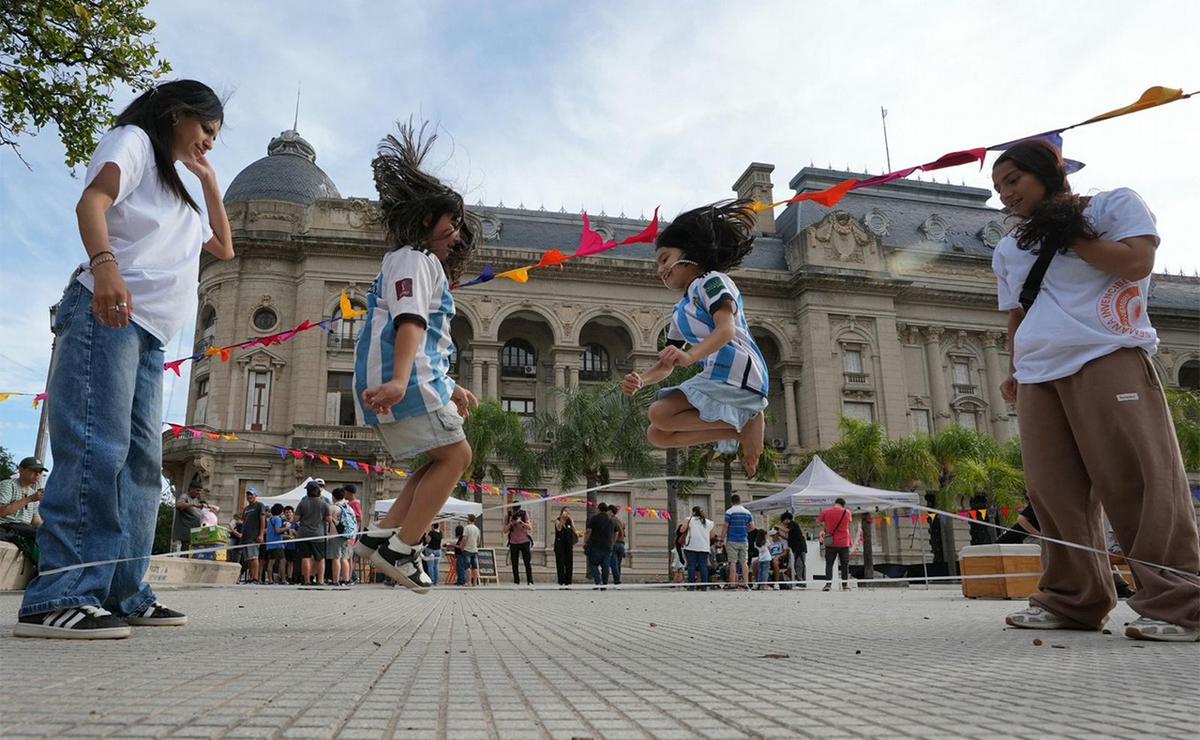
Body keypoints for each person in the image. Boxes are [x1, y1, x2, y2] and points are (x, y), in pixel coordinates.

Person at [15, 81, 232, 639]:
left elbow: (224, 247)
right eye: (207, 128)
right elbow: (92, 201)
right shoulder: (133, 141)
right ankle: (59, 594)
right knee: (97, 449)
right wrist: (105, 263)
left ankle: (124, 591)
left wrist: (209, 180)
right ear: (177, 114)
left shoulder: (180, 186)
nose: (210, 141)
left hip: (151, 334)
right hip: (107, 313)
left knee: (141, 466)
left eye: (216, 136)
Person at [991, 139, 1200, 642]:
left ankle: (1179, 603)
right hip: (1038, 373)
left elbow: (1135, 262)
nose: (1006, 195)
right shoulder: (1009, 247)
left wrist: (1066, 232)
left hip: (1107, 354)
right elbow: (1020, 311)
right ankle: (1072, 599)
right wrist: (1016, 366)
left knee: (1137, 480)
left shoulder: (1112, 206)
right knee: (1053, 492)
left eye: (1013, 180)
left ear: (1048, 171)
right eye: (998, 188)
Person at [348, 121, 479, 593]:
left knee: (436, 460)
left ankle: (379, 536)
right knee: (457, 455)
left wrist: (452, 385)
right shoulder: (414, 259)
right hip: (406, 382)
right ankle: (403, 549)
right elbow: (410, 323)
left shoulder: (411, 263)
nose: (456, 236)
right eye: (452, 223)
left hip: (418, 378)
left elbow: (422, 337)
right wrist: (402, 381)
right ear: (426, 219)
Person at [621, 200, 768, 476]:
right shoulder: (680, 311)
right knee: (657, 434)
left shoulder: (712, 281)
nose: (660, 269)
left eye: (665, 259)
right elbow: (666, 365)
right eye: (657, 264)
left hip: (740, 372)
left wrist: (689, 356)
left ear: (689, 252)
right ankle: (739, 430)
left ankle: (747, 421)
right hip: (716, 375)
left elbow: (725, 330)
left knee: (659, 413)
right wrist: (642, 379)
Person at [0, 457, 47, 565]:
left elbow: (35, 520)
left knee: (50, 535)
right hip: (7, 525)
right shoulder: (8, 485)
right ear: (21, 470)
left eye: (40, 472)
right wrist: (29, 499)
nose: (37, 474)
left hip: (23, 527)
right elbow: (1, 511)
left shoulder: (32, 492)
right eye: (34, 471)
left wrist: (51, 528)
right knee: (39, 535)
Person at [295, 481, 333, 586]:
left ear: (308, 491)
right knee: (320, 558)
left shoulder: (302, 503)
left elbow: (296, 518)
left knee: (305, 557)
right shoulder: (324, 503)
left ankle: (307, 580)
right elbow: (329, 519)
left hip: (303, 534)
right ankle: (320, 580)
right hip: (319, 534)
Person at [818, 498, 852, 592]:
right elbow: (848, 523)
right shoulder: (847, 513)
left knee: (829, 564)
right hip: (844, 542)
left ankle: (828, 584)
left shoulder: (826, 512)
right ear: (843, 505)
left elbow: (819, 521)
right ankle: (845, 585)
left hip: (830, 542)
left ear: (835, 503)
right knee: (845, 564)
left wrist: (826, 528)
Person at [680, 506, 715, 591]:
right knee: (703, 566)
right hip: (704, 547)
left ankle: (691, 586)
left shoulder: (688, 519)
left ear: (693, 512)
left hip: (691, 546)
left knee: (691, 565)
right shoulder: (708, 522)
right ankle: (704, 586)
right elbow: (712, 535)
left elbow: (682, 530)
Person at [723, 494, 753, 589]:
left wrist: (722, 537)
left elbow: (725, 526)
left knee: (732, 562)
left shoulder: (729, 512)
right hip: (744, 540)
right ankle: (745, 583)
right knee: (744, 562)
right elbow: (752, 527)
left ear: (732, 501)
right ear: (740, 501)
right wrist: (745, 531)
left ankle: (732, 584)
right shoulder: (747, 512)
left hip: (732, 540)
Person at [329, 488, 357, 586]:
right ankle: (347, 579)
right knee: (345, 558)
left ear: (333, 497)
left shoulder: (333, 508)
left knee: (336, 558)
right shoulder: (349, 508)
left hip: (335, 535)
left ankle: (335, 580)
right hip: (347, 536)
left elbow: (327, 521)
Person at [584, 503, 616, 588]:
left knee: (593, 564)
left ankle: (598, 581)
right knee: (605, 566)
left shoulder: (594, 518)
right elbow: (615, 533)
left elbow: (589, 531)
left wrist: (585, 541)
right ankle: (605, 583)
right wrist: (612, 543)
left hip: (596, 545)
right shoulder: (611, 520)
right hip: (607, 546)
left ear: (598, 509)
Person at [241, 488, 267, 584]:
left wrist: (261, 535)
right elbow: (244, 522)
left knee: (254, 557)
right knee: (248, 558)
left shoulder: (259, 505)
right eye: (248, 494)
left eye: (251, 494)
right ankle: (251, 577)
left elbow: (262, 520)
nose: (249, 496)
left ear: (255, 495)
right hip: (245, 537)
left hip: (254, 536)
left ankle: (255, 578)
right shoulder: (246, 509)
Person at [171, 481, 205, 553]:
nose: (199, 493)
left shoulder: (196, 500)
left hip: (194, 534)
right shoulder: (184, 496)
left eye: (200, 491)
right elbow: (178, 505)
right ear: (191, 489)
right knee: (184, 554)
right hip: (185, 535)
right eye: (197, 490)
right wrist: (193, 505)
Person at [503, 505, 534, 584]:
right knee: (514, 563)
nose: (516, 512)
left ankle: (530, 581)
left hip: (524, 541)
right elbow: (505, 530)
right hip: (513, 542)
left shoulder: (524, 514)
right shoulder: (508, 516)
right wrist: (511, 523)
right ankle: (516, 581)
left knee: (527, 562)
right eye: (514, 510)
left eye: (517, 510)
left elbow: (530, 527)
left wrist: (521, 522)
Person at [779, 512, 807, 587]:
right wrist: (780, 535)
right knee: (796, 564)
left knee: (800, 564)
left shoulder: (793, 524)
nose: (783, 523)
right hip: (795, 548)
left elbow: (786, 530)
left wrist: (778, 527)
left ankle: (802, 581)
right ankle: (799, 580)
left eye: (783, 521)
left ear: (787, 519)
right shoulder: (791, 527)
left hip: (800, 548)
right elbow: (789, 538)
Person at [553, 507, 578, 586]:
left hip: (568, 544)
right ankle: (561, 581)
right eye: (565, 511)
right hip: (560, 545)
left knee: (569, 563)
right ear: (562, 512)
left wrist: (572, 521)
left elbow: (575, 531)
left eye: (568, 512)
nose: (567, 513)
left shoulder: (570, 521)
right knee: (560, 563)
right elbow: (559, 529)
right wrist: (562, 519)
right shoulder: (557, 520)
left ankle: (568, 581)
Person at [264, 504, 286, 584]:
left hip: (270, 544)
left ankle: (270, 579)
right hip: (277, 544)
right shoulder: (278, 519)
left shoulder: (270, 519)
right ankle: (283, 579)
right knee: (282, 561)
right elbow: (277, 530)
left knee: (271, 562)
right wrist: (286, 528)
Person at [460, 514, 481, 587]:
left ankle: (469, 582)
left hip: (467, 550)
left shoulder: (467, 528)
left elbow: (465, 538)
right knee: (475, 567)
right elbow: (478, 541)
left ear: (468, 519)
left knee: (467, 567)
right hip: (474, 550)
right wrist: (475, 545)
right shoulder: (477, 529)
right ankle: (474, 582)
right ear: (474, 520)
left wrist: (462, 547)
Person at [608, 505, 627, 586]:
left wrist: (611, 543)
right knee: (618, 564)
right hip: (621, 544)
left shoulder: (611, 520)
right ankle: (618, 580)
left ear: (610, 511)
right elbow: (623, 532)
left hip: (615, 544)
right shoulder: (619, 520)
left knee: (613, 564)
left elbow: (615, 533)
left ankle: (617, 581)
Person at [281, 506, 298, 584]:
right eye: (286, 512)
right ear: (284, 513)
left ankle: (290, 577)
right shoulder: (281, 522)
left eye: (289, 512)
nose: (288, 514)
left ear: (292, 513)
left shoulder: (295, 524)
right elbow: (278, 533)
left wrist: (295, 533)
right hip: (283, 545)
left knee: (291, 562)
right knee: (283, 561)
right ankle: (282, 577)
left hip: (292, 545)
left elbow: (299, 534)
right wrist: (287, 536)